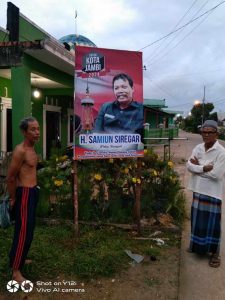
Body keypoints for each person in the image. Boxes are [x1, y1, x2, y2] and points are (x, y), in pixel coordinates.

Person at [186, 120, 225, 268]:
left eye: (210, 132)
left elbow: (216, 175)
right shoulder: (198, 148)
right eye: (204, 132)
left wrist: (198, 167)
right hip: (198, 189)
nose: (206, 135)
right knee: (197, 222)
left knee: (212, 224)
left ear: (216, 134)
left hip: (213, 193)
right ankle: (196, 247)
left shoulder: (221, 152)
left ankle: (215, 253)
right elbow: (189, 166)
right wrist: (204, 168)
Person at [6, 116, 40, 284]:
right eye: (33, 130)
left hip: (33, 192)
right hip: (24, 194)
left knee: (29, 230)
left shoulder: (33, 148)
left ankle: (19, 258)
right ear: (24, 132)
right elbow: (11, 177)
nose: (37, 132)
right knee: (22, 232)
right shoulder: (20, 151)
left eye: (38, 129)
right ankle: (15, 271)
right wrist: (13, 198)